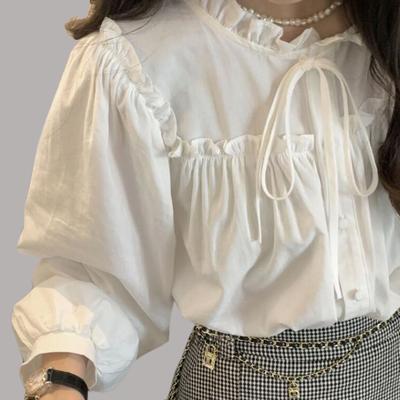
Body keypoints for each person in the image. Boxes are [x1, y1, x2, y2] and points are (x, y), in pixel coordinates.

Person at [11, 0, 400, 399]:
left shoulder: (387, 35)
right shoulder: (136, 56)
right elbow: (93, 271)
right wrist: (62, 385)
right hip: (236, 386)